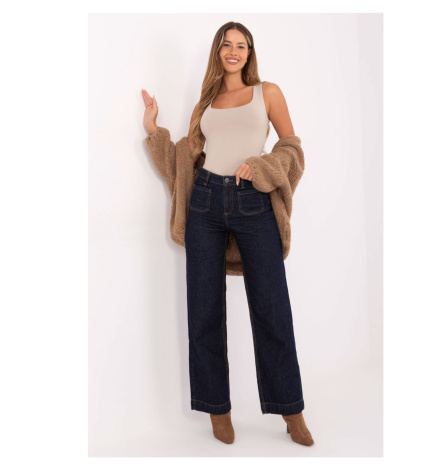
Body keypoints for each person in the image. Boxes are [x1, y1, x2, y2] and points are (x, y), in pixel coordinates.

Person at [141, 22, 314, 447]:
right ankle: (217, 409)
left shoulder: (267, 93)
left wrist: (262, 166)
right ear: (218, 51)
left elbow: (291, 148)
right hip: (205, 203)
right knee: (204, 310)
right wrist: (153, 130)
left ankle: (291, 410)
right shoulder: (206, 102)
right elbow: (186, 158)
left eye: (241, 45)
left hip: (254, 204)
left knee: (272, 308)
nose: (233, 51)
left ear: (250, 52)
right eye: (226, 44)